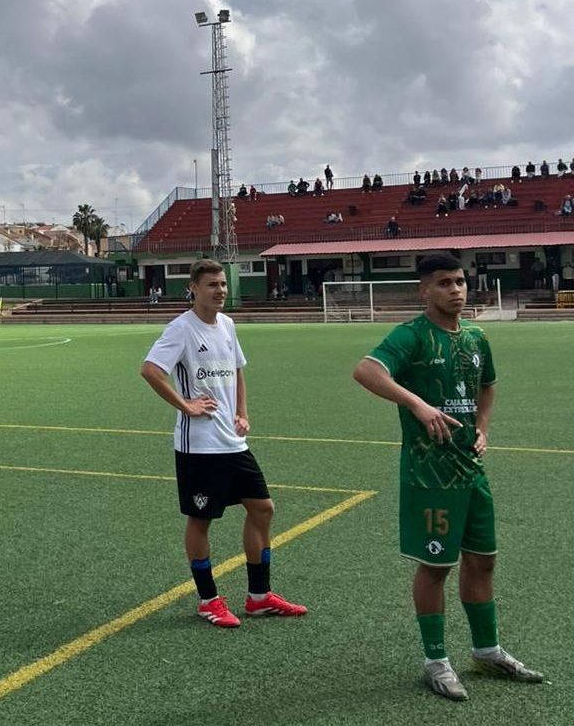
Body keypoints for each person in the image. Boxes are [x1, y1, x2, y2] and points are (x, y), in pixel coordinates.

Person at [352, 254, 544, 701]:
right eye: (444, 283)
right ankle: (436, 660)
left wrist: (484, 427)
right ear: (425, 291)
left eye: (459, 281)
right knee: (437, 565)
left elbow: (488, 384)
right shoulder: (412, 335)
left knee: (484, 561)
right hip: (430, 474)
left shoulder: (476, 337)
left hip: (471, 472)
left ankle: (486, 650)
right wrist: (416, 404)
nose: (455, 289)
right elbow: (366, 371)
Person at [140, 259, 307, 629]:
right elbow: (151, 369)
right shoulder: (181, 329)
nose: (220, 291)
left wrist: (242, 412)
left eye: (223, 284)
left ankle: (259, 597)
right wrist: (185, 405)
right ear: (194, 289)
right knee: (201, 520)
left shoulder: (228, 325)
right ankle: (208, 600)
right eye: (212, 285)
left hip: (232, 441)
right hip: (199, 446)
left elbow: (237, 370)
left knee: (263, 508)